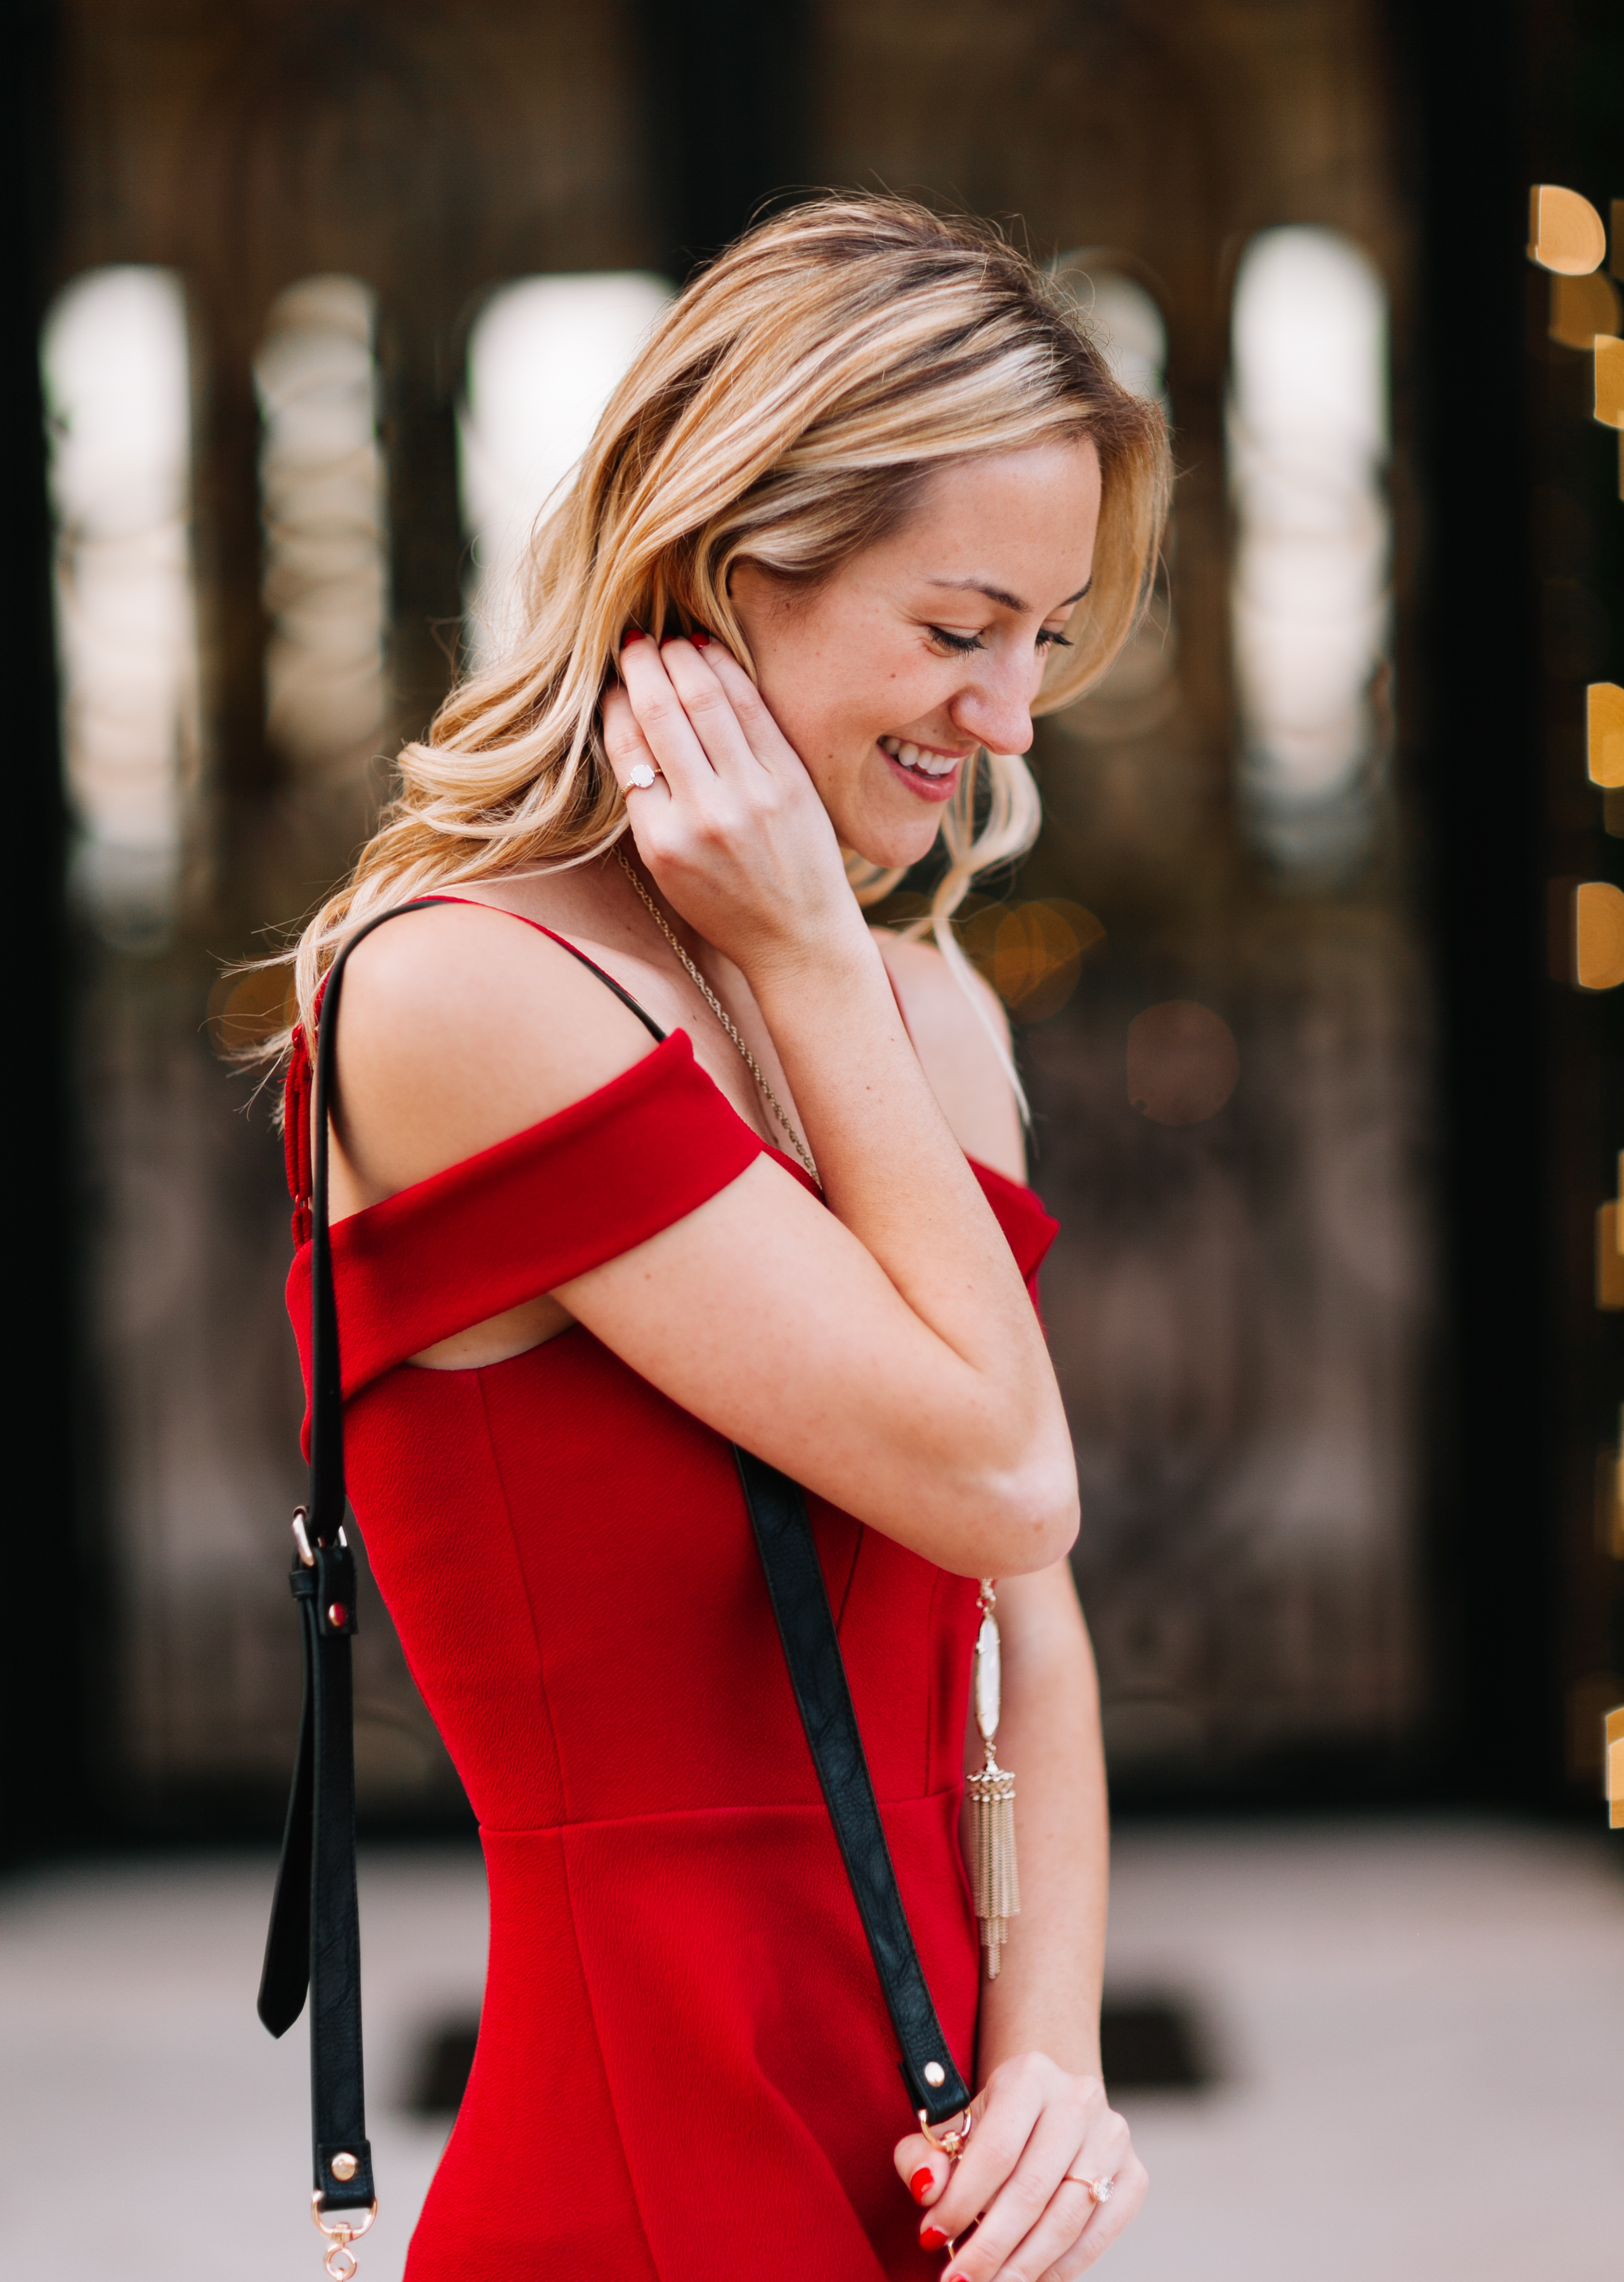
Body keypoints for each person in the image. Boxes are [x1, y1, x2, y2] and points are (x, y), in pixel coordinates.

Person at [276, 196, 1169, 2281]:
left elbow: (1018, 1600)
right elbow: (999, 1461)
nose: (1013, 714)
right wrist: (820, 973)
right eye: (958, 631)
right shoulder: (452, 995)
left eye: (1045, 638)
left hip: (949, 2165)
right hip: (644, 2173)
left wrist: (1055, 2063)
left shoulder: (928, 1010)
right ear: (713, 580)